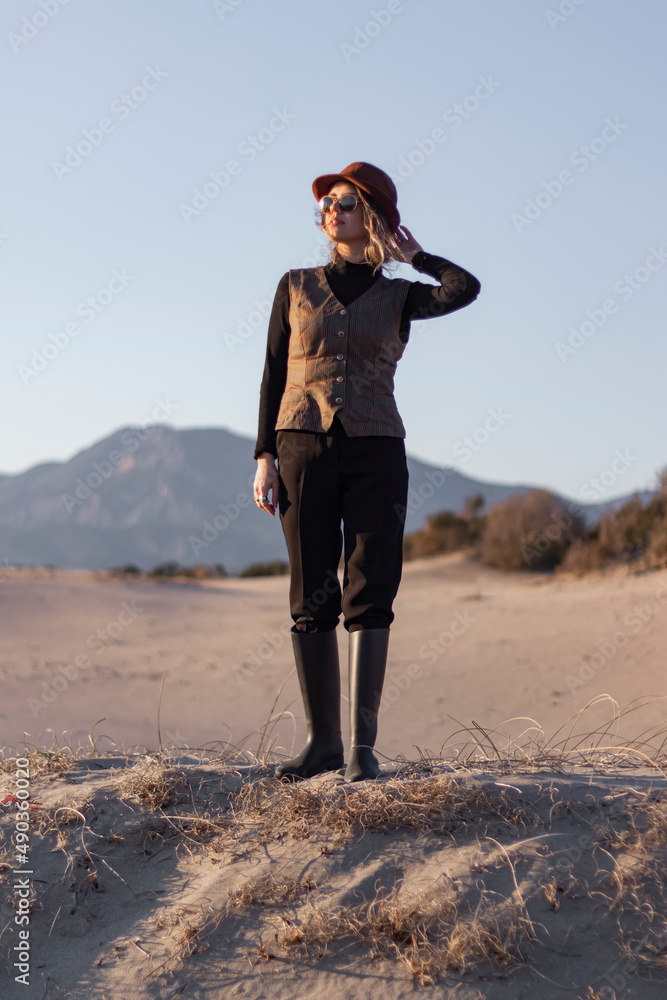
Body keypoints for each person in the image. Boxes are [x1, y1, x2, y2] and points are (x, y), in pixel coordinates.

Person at [252, 161, 481, 783]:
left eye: (346, 201)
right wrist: (264, 457)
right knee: (310, 592)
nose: (332, 209)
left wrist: (421, 257)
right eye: (326, 201)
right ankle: (321, 742)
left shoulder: (399, 293)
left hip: (377, 448)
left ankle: (361, 750)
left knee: (370, 587)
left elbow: (465, 288)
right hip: (301, 445)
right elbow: (274, 372)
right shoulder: (295, 285)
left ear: (373, 215)